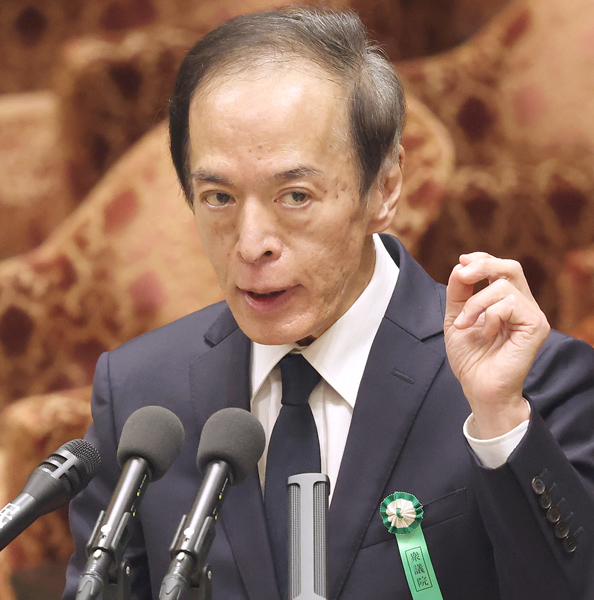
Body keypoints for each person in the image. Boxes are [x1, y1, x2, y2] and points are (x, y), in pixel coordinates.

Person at [63, 7, 594, 600]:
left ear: (385, 187)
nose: (251, 244)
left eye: (295, 196)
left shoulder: (527, 381)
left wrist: (501, 426)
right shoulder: (141, 396)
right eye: (218, 197)